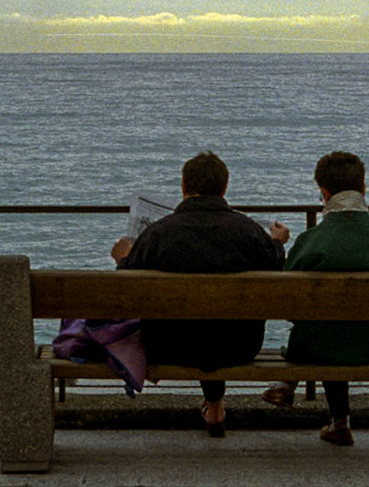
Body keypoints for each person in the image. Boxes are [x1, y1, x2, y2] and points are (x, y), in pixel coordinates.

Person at [111, 150, 290, 437]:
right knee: (214, 326)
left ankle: (214, 405)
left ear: (183, 189)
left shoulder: (158, 234)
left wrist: (122, 258)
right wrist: (278, 243)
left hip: (168, 346)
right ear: (224, 189)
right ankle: (215, 406)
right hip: (239, 345)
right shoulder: (249, 231)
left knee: (196, 327)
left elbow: (126, 290)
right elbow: (277, 270)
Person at [262, 151, 369, 446]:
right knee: (339, 325)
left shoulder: (312, 241)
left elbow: (286, 302)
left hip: (318, 348)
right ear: (363, 189)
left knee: (327, 328)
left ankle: (298, 389)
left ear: (324, 192)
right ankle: (338, 421)